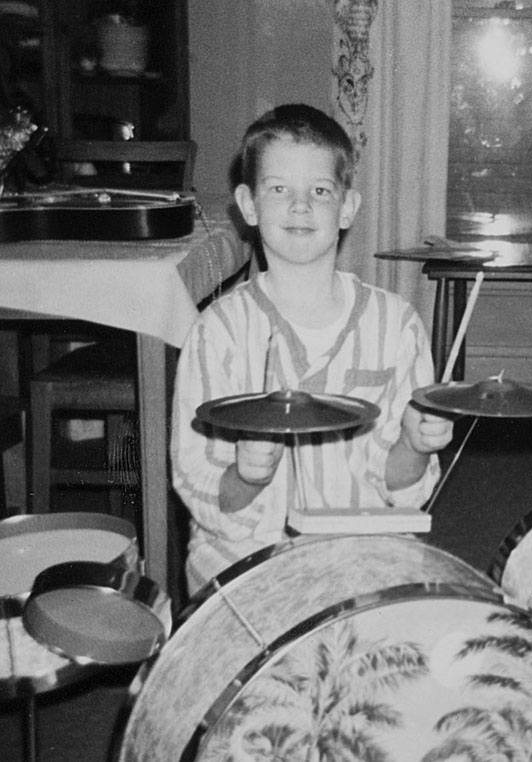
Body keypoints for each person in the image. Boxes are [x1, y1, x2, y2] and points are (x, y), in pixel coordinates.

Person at [171, 103, 453, 593]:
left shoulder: (397, 325)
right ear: (248, 204)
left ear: (347, 208)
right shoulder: (217, 332)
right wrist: (246, 476)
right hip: (247, 561)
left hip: (363, 555)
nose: (300, 206)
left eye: (320, 191)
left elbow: (402, 491)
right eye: (279, 189)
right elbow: (200, 488)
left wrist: (412, 444)